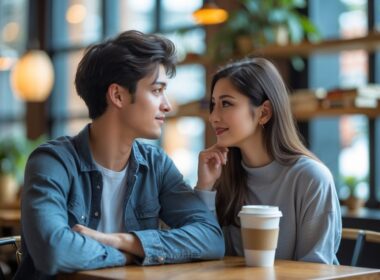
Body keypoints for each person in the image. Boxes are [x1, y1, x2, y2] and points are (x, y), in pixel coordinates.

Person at [14, 30, 224, 279]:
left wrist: (120, 241)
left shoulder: (156, 165)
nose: (167, 105)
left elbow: (211, 239)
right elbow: (53, 252)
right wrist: (126, 255)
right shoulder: (52, 162)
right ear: (117, 95)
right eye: (157, 90)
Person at [195, 57, 342, 264]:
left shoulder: (312, 178)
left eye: (226, 103)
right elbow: (205, 254)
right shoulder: (222, 177)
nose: (213, 117)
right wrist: (204, 189)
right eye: (213, 104)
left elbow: (316, 269)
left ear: (264, 113)